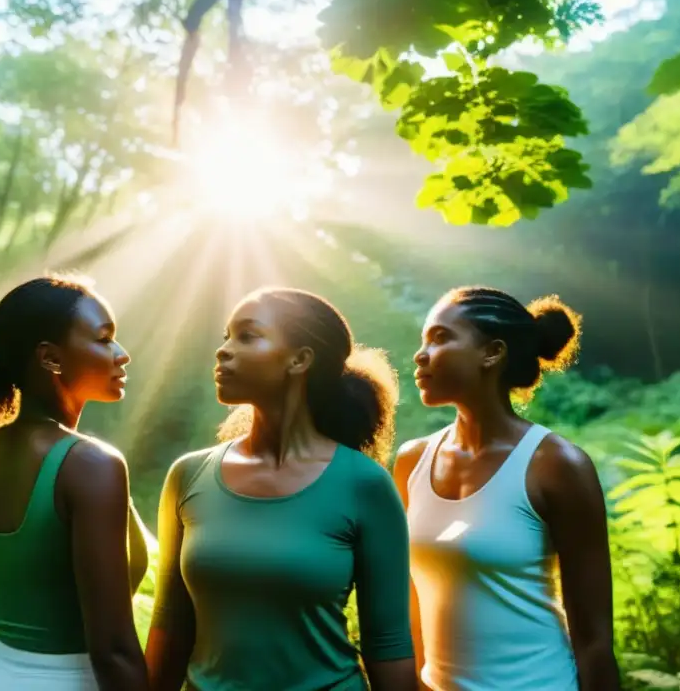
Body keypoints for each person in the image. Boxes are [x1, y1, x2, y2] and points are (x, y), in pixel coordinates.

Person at [145, 287, 417, 691]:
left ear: (300, 359)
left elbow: (388, 644)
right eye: (226, 337)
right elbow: (170, 624)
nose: (223, 351)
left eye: (247, 336)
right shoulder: (189, 475)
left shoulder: (365, 485)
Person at [0, 275, 149, 691]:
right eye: (104, 340)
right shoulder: (91, 465)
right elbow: (114, 650)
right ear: (50, 358)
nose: (122, 355)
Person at [393, 287, 620, 691]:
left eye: (441, 338)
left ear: (492, 353)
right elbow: (408, 606)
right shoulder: (412, 462)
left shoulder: (557, 465)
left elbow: (594, 638)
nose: (421, 354)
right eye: (424, 339)